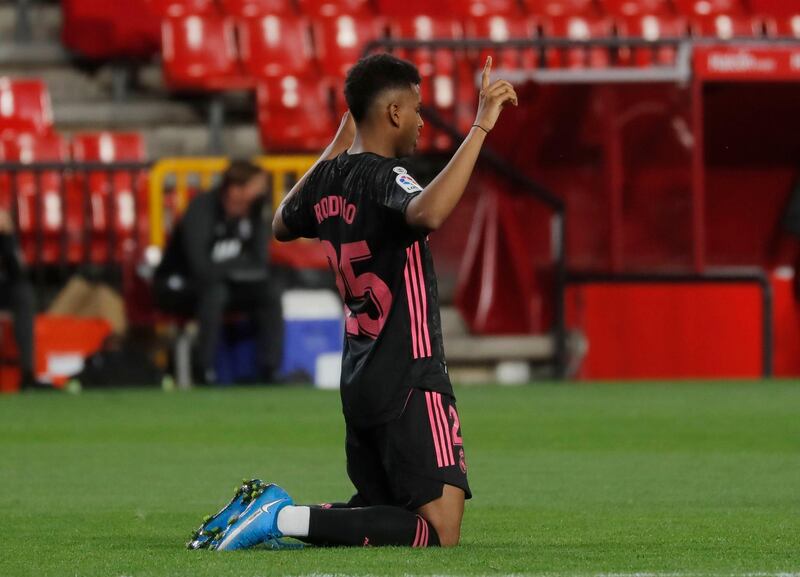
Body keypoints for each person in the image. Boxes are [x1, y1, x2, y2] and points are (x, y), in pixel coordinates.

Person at [186, 54, 517, 550]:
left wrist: (339, 143)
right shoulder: (386, 177)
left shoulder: (330, 178)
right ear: (393, 113)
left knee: (380, 515)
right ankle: (280, 517)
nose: (423, 120)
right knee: (439, 530)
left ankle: (270, 516)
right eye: (417, 108)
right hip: (410, 373)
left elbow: (281, 223)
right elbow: (427, 213)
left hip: (360, 376)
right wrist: (480, 128)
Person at [154, 160, 283, 385]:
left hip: (224, 284)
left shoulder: (256, 213)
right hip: (180, 285)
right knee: (215, 293)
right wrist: (237, 266)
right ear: (235, 189)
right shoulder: (202, 209)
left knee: (269, 291)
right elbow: (200, 267)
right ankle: (204, 371)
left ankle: (269, 370)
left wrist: (230, 270)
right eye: (257, 186)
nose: (262, 191)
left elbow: (260, 263)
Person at [0, 209, 48, 391]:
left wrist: (7, 237)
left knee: (24, 294)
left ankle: (28, 373)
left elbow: (19, 272)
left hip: (7, 290)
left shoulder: (8, 241)